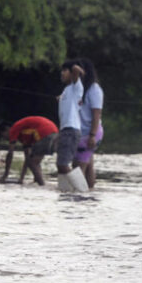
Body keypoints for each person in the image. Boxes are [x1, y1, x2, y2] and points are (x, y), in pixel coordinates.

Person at [0, 116, 59, 185]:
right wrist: (21, 179)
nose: (4, 138)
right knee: (34, 161)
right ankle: (37, 180)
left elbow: (10, 154)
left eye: (3, 136)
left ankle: (42, 185)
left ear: (6, 129)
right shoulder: (24, 133)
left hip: (45, 132)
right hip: (54, 131)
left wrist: (5, 175)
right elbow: (27, 157)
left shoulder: (14, 129)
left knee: (33, 163)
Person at [75, 58, 104, 189]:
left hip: (91, 132)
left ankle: (77, 195)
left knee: (78, 166)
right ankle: (90, 193)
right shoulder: (79, 89)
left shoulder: (94, 89)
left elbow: (96, 114)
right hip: (82, 132)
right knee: (88, 164)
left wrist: (92, 135)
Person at [56, 60, 85, 189]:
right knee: (60, 165)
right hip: (65, 130)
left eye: (64, 71)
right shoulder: (67, 90)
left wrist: (73, 67)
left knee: (63, 164)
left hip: (71, 130)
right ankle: (65, 192)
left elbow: (77, 70)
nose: (62, 74)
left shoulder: (76, 87)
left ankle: (82, 190)